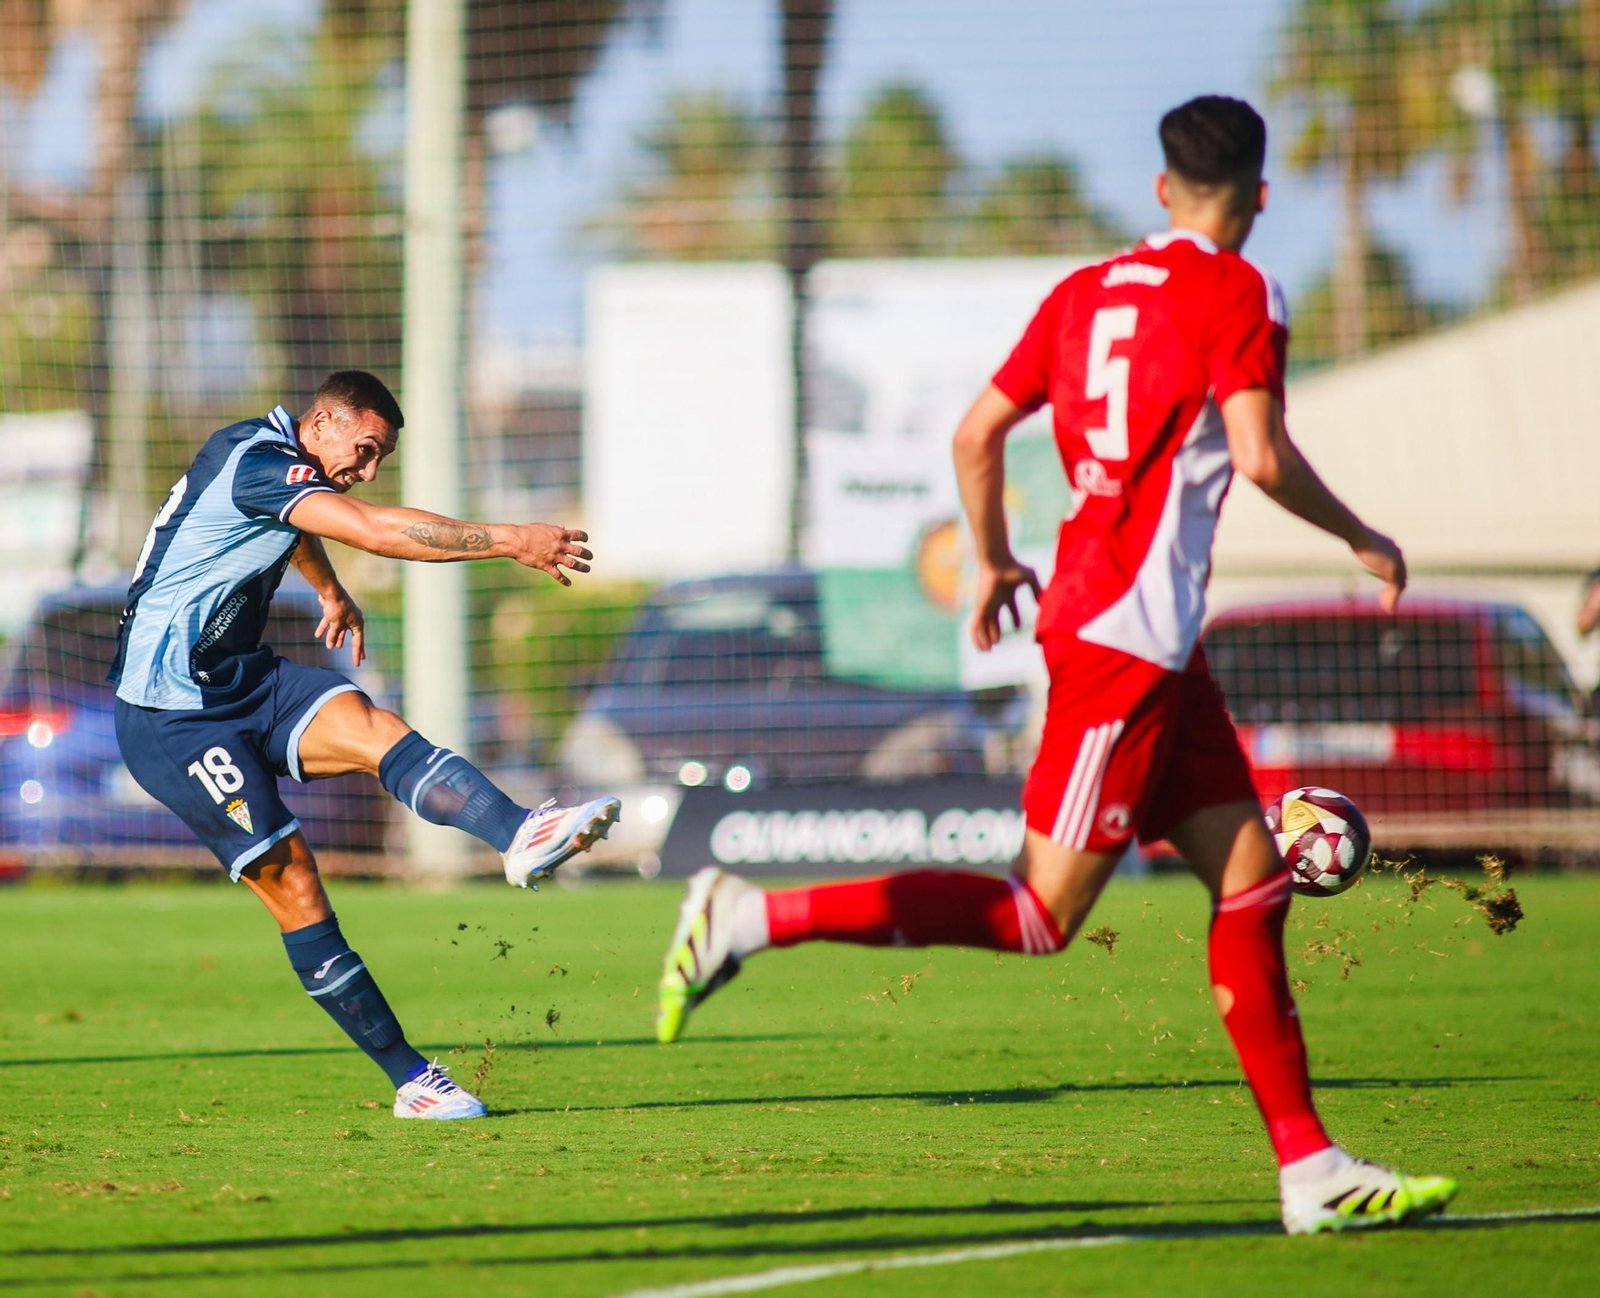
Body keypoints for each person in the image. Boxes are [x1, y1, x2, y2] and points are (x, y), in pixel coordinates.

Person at [654, 96, 1458, 1234]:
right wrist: (1361, 535)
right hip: (1120, 640)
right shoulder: (1239, 289)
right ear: (1260, 195)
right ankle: (745, 917)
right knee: (1040, 913)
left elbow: (977, 432)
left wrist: (989, 558)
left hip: (1149, 645)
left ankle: (1310, 1169)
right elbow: (1261, 453)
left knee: (1252, 879)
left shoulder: (1084, 293)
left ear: (1160, 188)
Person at [110, 369, 621, 1120]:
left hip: (240, 679)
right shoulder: (254, 460)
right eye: (365, 448)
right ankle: (413, 1079)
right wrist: (512, 538)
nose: (369, 468)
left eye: (379, 458)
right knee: (295, 882)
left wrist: (323, 588)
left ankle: (518, 833)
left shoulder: (276, 460)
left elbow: (293, 522)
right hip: (170, 713)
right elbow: (374, 529)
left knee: (372, 725)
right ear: (321, 424)